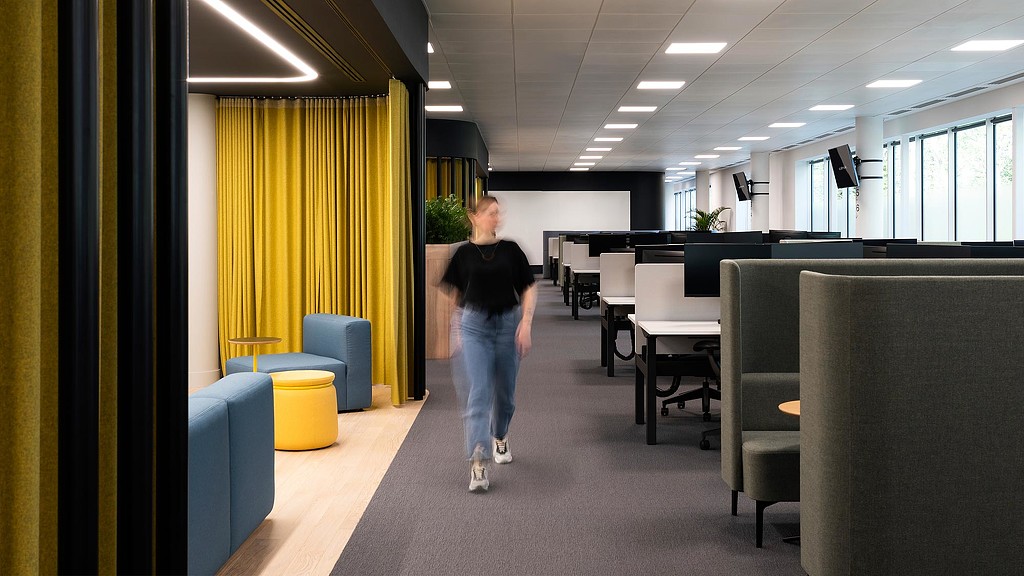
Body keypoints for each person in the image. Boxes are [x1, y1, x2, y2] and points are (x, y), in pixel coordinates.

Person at [440, 195, 537, 493]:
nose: (497, 218)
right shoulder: (462, 254)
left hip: (508, 325)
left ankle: (500, 435)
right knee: (479, 393)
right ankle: (478, 460)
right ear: (475, 217)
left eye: (499, 213)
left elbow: (528, 288)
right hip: (474, 327)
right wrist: (456, 327)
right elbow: (454, 295)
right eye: (491, 213)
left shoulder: (511, 250)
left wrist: (526, 324)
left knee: (505, 396)